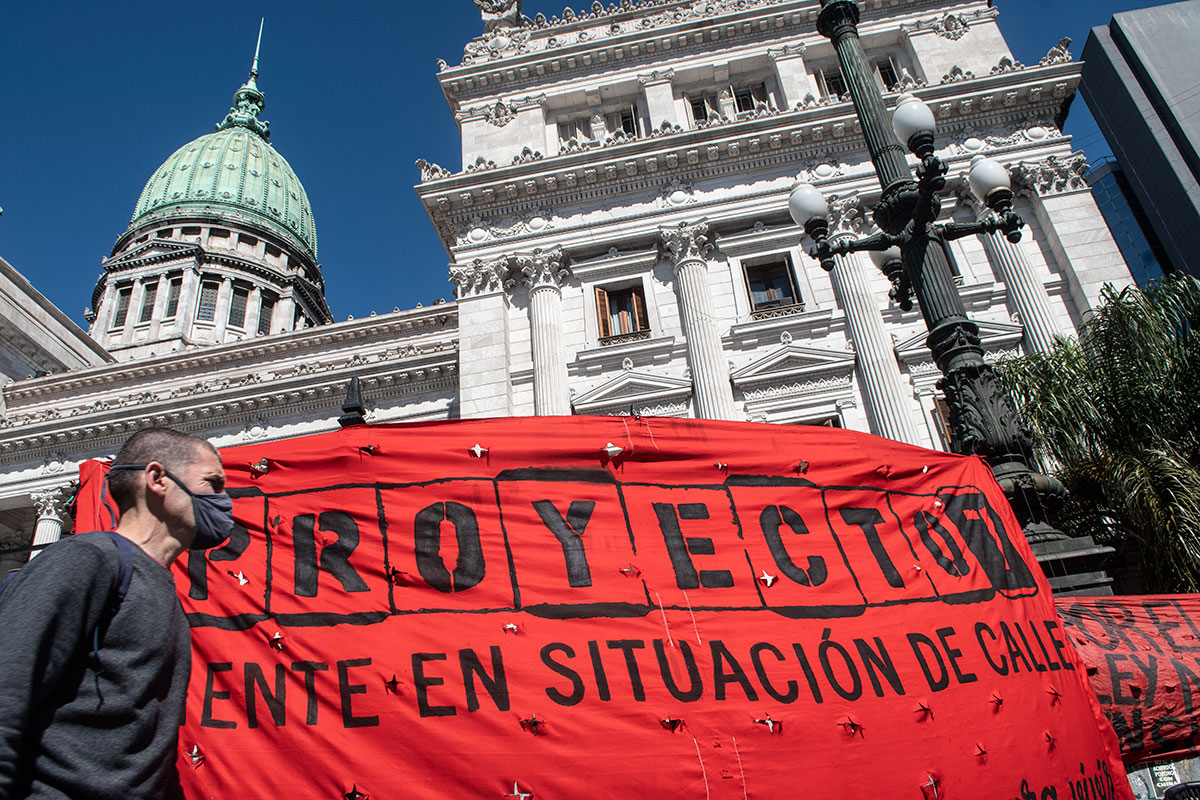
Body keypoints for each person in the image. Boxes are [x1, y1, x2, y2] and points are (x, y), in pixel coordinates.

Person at [0, 428, 232, 800]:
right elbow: (7, 691)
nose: (224, 500)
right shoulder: (87, 559)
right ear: (157, 480)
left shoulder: (162, 591)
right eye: (213, 483)